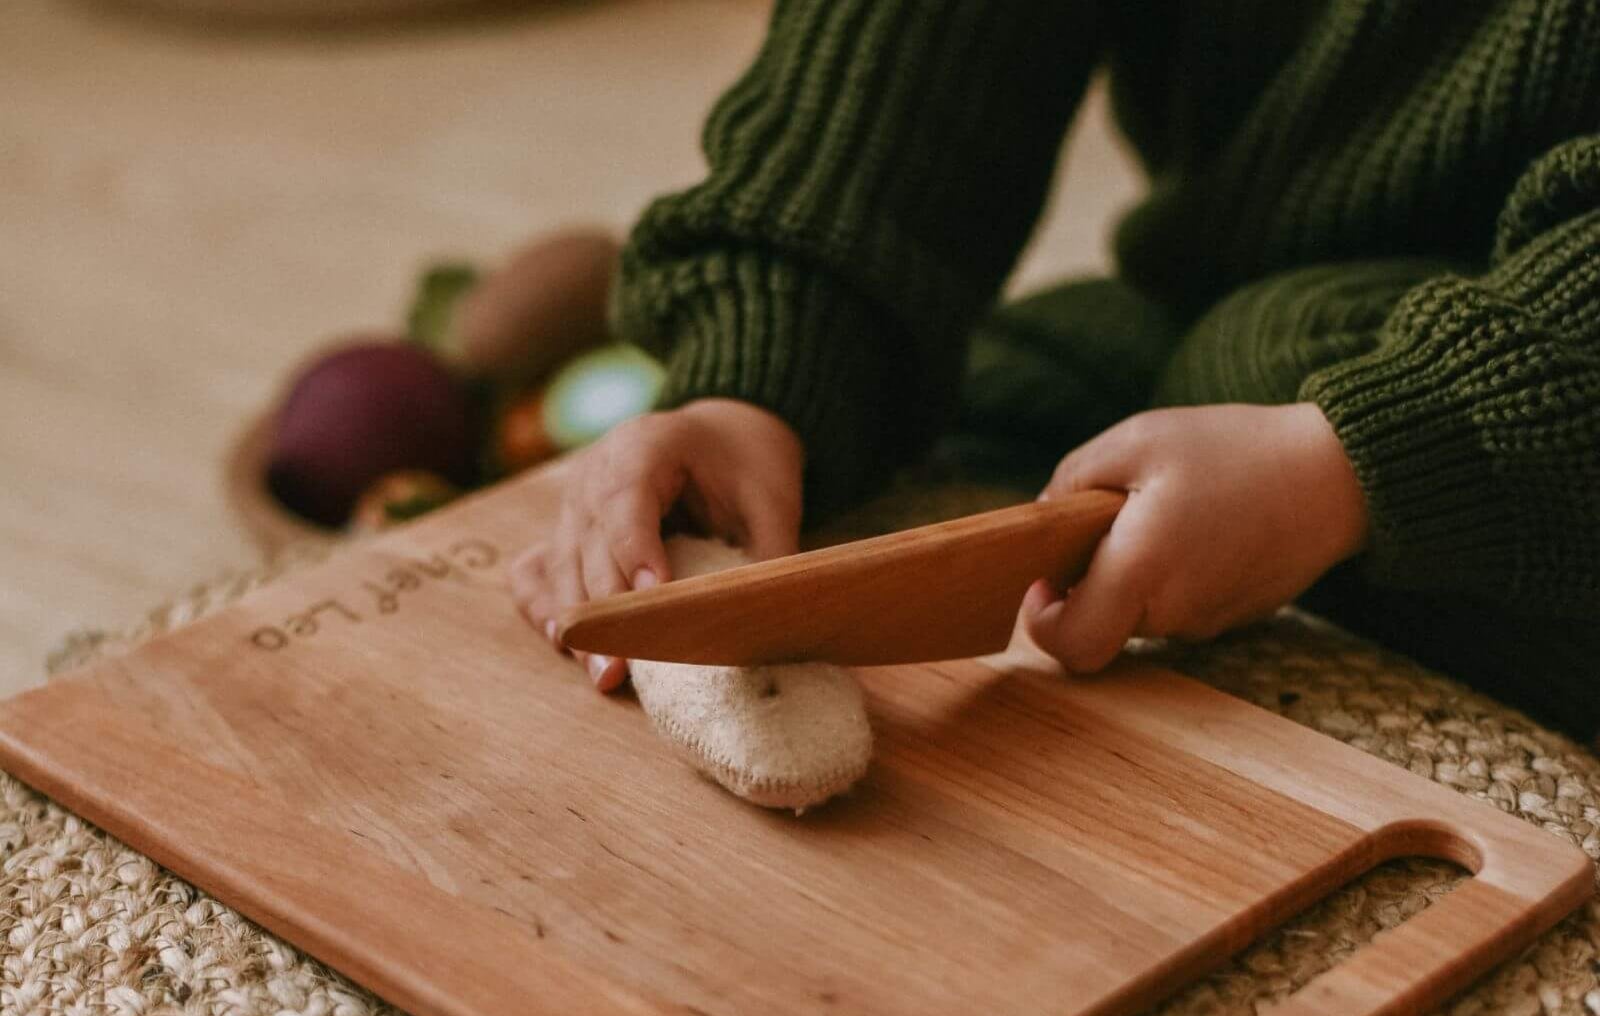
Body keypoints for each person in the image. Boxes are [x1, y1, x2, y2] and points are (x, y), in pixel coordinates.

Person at [509, 0, 1600, 744]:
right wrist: (765, 359)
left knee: (1252, 353)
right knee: (1004, 387)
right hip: (1244, 289)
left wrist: (1374, 452)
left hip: (1552, 360)